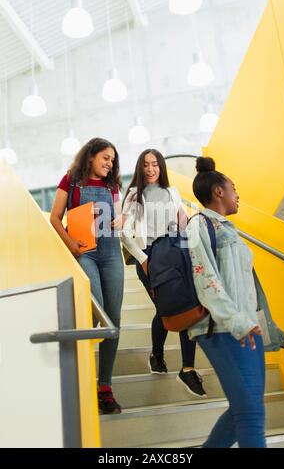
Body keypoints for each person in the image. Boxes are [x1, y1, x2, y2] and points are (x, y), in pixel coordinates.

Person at [186, 156, 267, 447]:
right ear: (218, 192)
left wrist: (253, 323)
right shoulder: (199, 226)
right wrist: (237, 322)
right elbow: (205, 281)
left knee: (243, 412)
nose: (237, 194)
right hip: (222, 328)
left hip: (244, 326)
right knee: (250, 415)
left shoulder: (229, 230)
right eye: (233, 188)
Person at [121, 149, 206, 397]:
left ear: (161, 168)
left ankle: (187, 369)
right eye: (146, 164)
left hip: (174, 254)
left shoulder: (172, 192)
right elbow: (124, 233)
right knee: (168, 308)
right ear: (140, 167)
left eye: (155, 164)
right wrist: (143, 259)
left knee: (186, 306)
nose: (150, 169)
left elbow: (183, 223)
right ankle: (158, 355)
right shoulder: (135, 195)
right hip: (150, 257)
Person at [50, 137, 124, 414]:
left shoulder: (112, 185)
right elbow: (55, 217)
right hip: (85, 252)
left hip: (111, 252)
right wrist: (71, 245)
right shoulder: (71, 180)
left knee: (114, 320)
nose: (110, 163)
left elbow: (118, 215)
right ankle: (80, 377)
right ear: (91, 156)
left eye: (113, 160)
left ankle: (104, 387)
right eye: (106, 157)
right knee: (99, 311)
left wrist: (121, 218)